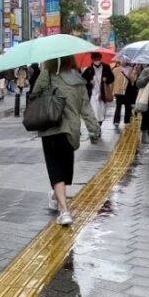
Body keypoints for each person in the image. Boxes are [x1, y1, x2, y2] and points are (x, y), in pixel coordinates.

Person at [33, 56, 101, 226]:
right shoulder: (78, 80)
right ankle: (56, 197)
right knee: (63, 170)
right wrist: (94, 130)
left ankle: (64, 211)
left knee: (56, 170)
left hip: (51, 129)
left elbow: (35, 94)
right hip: (71, 131)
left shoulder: (47, 74)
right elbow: (86, 109)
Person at [81, 53, 115, 124]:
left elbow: (112, 78)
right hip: (93, 93)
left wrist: (106, 79)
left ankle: (99, 123)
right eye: (95, 60)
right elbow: (83, 80)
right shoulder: (89, 69)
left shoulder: (106, 67)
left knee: (102, 111)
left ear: (100, 59)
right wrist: (89, 82)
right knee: (95, 110)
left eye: (98, 59)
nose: (97, 61)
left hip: (103, 93)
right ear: (92, 60)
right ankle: (96, 125)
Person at [111, 61, 139, 129]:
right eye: (122, 60)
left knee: (127, 106)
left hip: (128, 91)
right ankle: (116, 121)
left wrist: (134, 72)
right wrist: (112, 90)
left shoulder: (132, 70)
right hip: (118, 91)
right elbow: (112, 81)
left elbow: (133, 81)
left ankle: (127, 121)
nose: (124, 61)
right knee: (118, 106)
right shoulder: (116, 70)